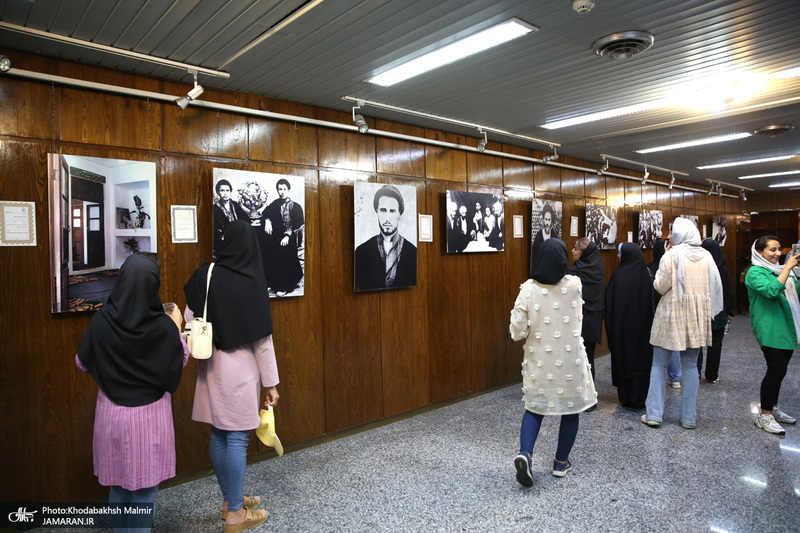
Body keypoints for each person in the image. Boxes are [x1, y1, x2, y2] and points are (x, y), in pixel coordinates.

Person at [76, 253, 188, 533]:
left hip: (111, 414)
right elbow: (178, 361)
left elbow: (81, 362)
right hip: (149, 419)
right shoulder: (162, 326)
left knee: (118, 486)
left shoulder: (103, 319)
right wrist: (176, 327)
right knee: (144, 491)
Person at [184, 221, 279, 532]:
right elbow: (262, 342)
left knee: (218, 434)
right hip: (241, 371)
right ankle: (236, 514)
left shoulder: (205, 274)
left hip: (210, 366)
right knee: (237, 439)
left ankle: (230, 500)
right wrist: (271, 383)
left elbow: (189, 317)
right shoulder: (251, 282)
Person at [509, 238, 597, 487]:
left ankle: (525, 453)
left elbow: (517, 330)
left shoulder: (528, 288)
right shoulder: (575, 284)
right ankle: (560, 462)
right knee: (570, 411)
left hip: (540, 361)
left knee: (534, 409)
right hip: (570, 361)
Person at [642, 218, 723, 429]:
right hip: (696, 316)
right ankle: (688, 418)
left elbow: (660, 286)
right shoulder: (707, 256)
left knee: (659, 364)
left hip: (671, 313)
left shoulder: (672, 256)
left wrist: (667, 255)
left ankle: (654, 415)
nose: (669, 236)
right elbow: (714, 286)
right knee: (690, 366)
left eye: (672, 233)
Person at [745, 236, 800, 435]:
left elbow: (796, 293)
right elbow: (771, 291)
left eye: (779, 249)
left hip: (786, 327)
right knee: (775, 370)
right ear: (759, 252)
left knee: (781, 370)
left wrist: (795, 272)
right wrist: (787, 268)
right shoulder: (755, 272)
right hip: (770, 328)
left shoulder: (780, 271)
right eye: (772, 250)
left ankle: (773, 407)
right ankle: (764, 415)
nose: (778, 254)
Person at [605, 243, 654, 409]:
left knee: (624, 360)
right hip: (643, 330)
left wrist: (611, 328)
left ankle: (626, 396)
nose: (618, 257)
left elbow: (610, 305)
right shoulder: (646, 275)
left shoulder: (618, 276)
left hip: (622, 331)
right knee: (641, 361)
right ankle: (640, 396)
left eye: (620, 254)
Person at [355, 185, 417, 291]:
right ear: (377, 211)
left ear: (399, 213)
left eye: (392, 211)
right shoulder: (362, 251)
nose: (387, 218)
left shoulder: (413, 252)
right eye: (383, 210)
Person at [567, 238, 605, 390]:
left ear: (585, 254)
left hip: (577, 321)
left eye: (576, 249)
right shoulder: (599, 270)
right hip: (593, 320)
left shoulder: (573, 274)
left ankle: (578, 393)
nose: (573, 251)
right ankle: (590, 394)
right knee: (589, 357)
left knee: (576, 358)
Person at [697, 239, 735, 383]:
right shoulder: (722, 270)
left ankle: (695, 373)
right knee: (716, 344)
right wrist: (730, 311)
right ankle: (712, 375)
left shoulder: (698, 267)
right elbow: (728, 293)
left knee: (697, 344)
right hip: (718, 310)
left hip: (700, 309)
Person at [646, 239, 681, 389]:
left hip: (653, 310)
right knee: (672, 344)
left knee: (656, 348)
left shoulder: (649, 268)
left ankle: (654, 377)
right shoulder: (676, 267)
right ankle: (675, 378)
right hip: (671, 309)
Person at [261, 178, 304, 295]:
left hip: (291, 237)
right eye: (280, 189)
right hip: (277, 237)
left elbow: (298, 224)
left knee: (283, 251)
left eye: (284, 189)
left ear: (288, 190)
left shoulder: (296, 206)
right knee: (267, 250)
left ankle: (285, 286)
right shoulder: (275, 204)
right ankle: (272, 283)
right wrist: (267, 220)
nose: (282, 192)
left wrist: (287, 235)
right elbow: (265, 213)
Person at [213, 179, 249, 260]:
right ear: (218, 192)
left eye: (227, 190)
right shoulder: (214, 208)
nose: (225, 193)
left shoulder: (235, 205)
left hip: (238, 237)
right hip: (224, 240)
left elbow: (246, 219)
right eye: (222, 190)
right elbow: (213, 228)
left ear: (230, 192)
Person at [530, 203, 557, 272]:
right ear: (543, 220)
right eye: (546, 219)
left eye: (549, 220)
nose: (547, 223)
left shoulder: (554, 236)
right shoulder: (539, 236)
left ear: (551, 221)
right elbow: (534, 256)